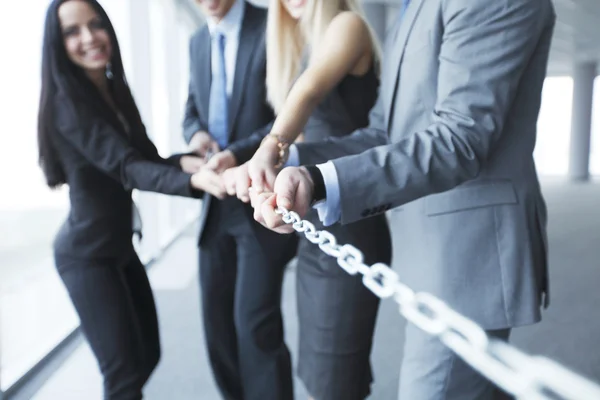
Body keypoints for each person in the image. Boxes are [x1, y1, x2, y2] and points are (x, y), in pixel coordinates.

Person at [251, 0, 556, 399]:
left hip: (468, 257)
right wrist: (292, 161)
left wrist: (318, 181)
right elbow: (384, 132)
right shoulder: (412, 8)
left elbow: (459, 140)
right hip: (431, 255)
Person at [37, 1, 222, 398]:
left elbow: (146, 160)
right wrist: (197, 183)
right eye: (72, 31)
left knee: (148, 355)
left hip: (119, 246)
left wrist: (188, 163)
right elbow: (127, 168)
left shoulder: (111, 89)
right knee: (122, 377)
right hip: (86, 256)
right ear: (57, 43)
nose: (88, 38)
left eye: (95, 24)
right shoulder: (68, 104)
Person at [220, 0, 391, 399]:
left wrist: (268, 149)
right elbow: (296, 135)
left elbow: (310, 93)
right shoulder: (303, 41)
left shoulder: (348, 25)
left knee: (335, 377)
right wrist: (249, 163)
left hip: (350, 222)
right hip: (315, 222)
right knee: (320, 369)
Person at [182, 1, 298, 399]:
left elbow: (289, 114)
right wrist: (196, 134)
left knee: (255, 324)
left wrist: (238, 153)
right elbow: (191, 110)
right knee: (217, 326)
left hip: (258, 195)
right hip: (215, 203)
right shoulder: (198, 41)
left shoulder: (273, 25)